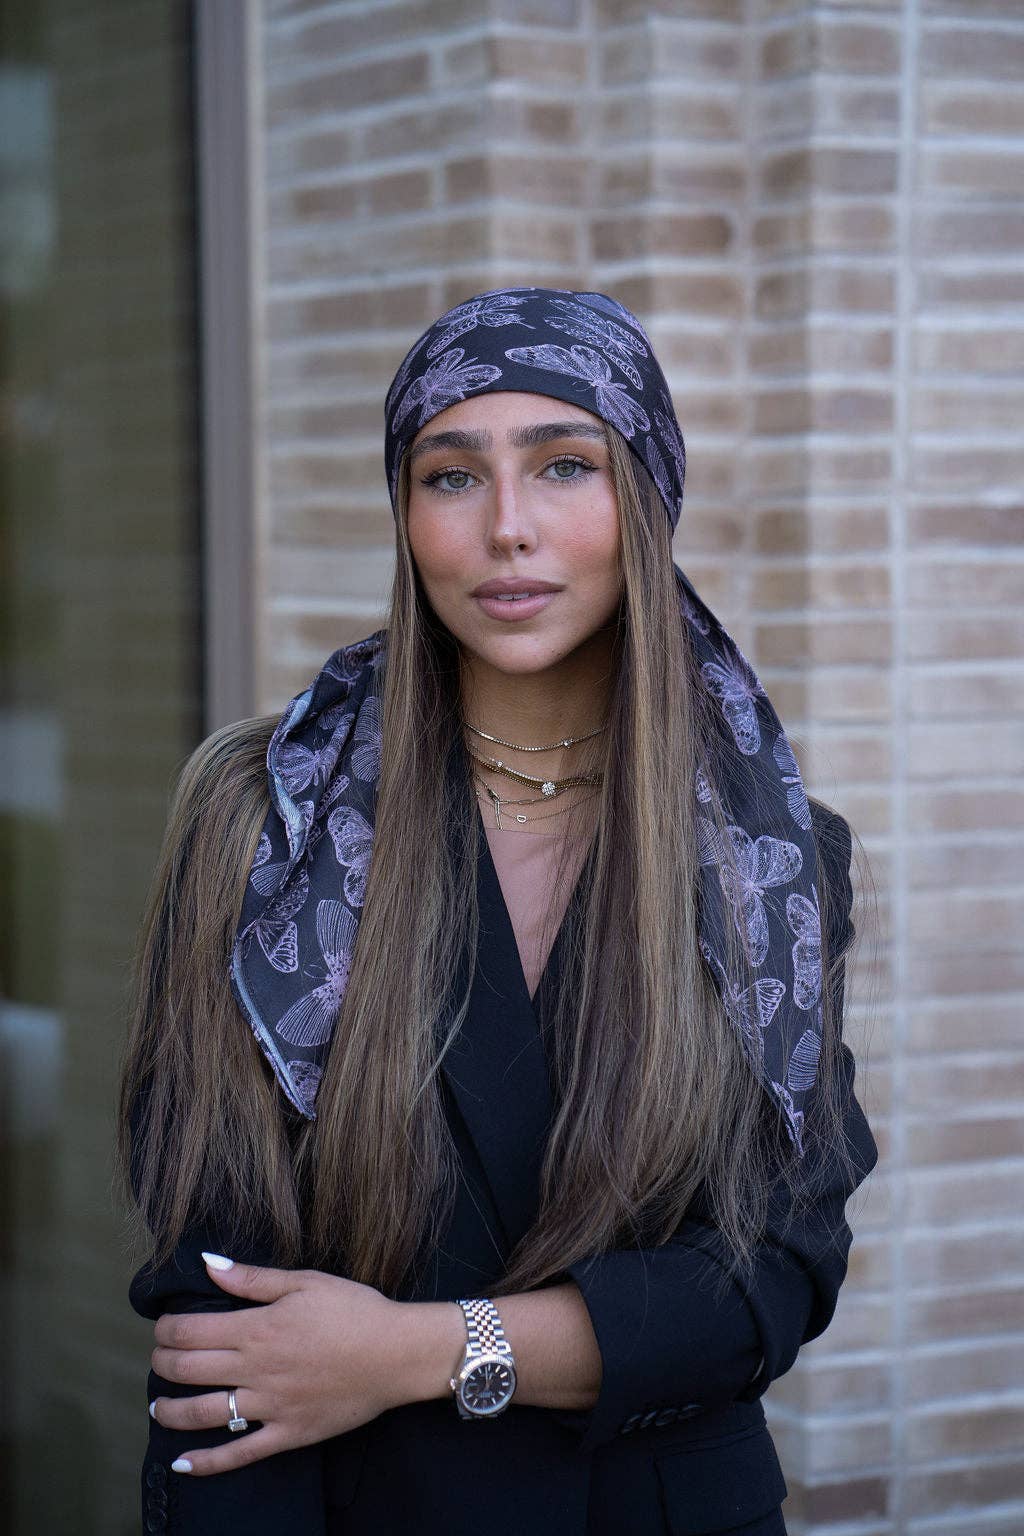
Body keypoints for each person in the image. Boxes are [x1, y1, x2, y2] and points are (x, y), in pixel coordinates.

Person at [117, 286, 878, 1536]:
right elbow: (223, 1325)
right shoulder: (266, 821)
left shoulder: (769, 859)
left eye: (565, 465)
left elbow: (775, 1273)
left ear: (646, 502)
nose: (506, 528)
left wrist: (419, 1351)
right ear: (406, 515)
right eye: (452, 476)